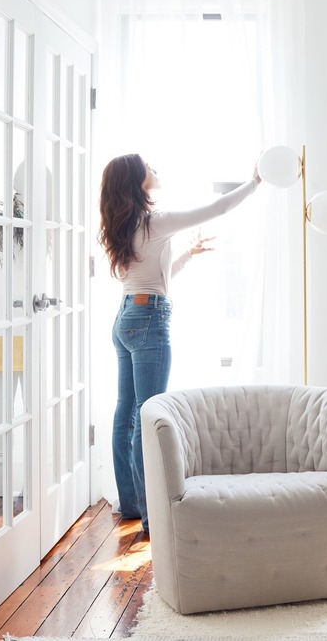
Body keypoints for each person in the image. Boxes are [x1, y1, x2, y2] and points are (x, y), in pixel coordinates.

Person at [98, 153, 260, 532]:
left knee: (126, 414)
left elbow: (151, 275)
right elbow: (217, 207)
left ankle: (132, 504)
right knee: (146, 415)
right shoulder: (155, 221)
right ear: (137, 182)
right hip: (149, 318)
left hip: (125, 317)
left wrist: (187, 253)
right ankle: (154, 517)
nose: (155, 170)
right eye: (148, 168)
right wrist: (253, 184)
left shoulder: (121, 225)